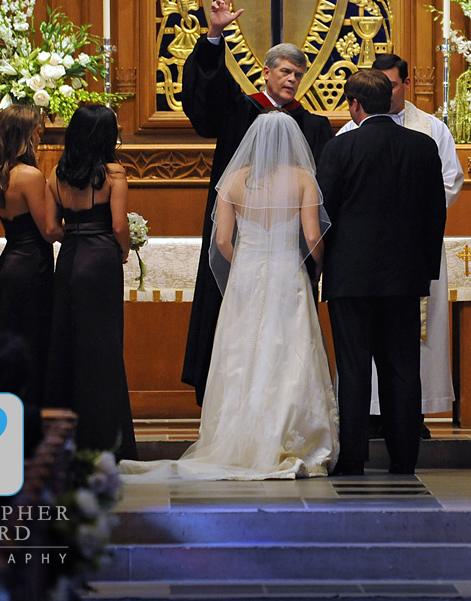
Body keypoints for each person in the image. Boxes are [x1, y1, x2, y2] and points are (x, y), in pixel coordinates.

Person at [121, 111, 338, 481]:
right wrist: (317, 264)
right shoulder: (303, 178)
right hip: (288, 275)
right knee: (287, 351)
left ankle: (238, 438)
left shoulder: (234, 180)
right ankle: (288, 436)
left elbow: (221, 241)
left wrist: (247, 263)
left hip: (245, 278)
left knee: (242, 352)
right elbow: (313, 236)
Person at [181, 0, 334, 405]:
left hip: (288, 258)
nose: (290, 79)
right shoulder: (241, 110)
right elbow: (206, 102)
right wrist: (215, 34)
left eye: (297, 74)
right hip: (245, 254)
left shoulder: (314, 126)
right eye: (284, 71)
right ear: (266, 72)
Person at [318, 70, 446, 475]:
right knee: (402, 367)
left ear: (355, 105)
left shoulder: (340, 149)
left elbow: (324, 214)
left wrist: (322, 266)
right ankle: (404, 456)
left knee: (354, 367)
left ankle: (353, 457)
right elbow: (434, 214)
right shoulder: (422, 147)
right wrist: (424, 270)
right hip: (403, 279)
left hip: (349, 278)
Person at [337, 54, 463, 434]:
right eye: (380, 84)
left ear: (406, 84)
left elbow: (449, 182)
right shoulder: (347, 134)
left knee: (411, 347)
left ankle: (412, 416)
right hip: (391, 255)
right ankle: (374, 417)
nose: (386, 92)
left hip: (412, 249)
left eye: (392, 84)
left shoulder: (432, 130)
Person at [44, 104, 138, 459]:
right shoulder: (114, 172)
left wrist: (74, 234)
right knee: (103, 350)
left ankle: (68, 439)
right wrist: (125, 251)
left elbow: (53, 229)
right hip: (101, 260)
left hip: (69, 259)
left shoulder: (57, 174)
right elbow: (118, 226)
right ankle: (108, 441)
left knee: (67, 347)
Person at [0, 104, 62, 405]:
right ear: (24, 136)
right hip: (32, 267)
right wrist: (85, 229)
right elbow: (49, 231)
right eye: (36, 133)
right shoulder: (29, 175)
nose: (39, 139)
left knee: (9, 338)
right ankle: (32, 411)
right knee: (32, 340)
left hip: (9, 265)